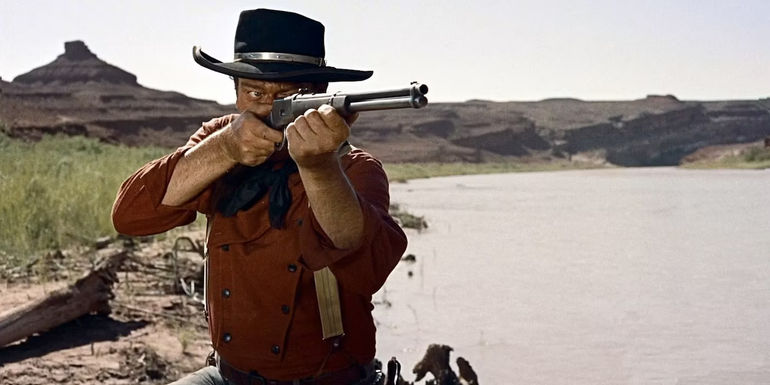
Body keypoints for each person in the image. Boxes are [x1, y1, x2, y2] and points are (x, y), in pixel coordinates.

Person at [112, 9, 407, 385]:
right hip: (227, 375)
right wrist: (223, 151)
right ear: (235, 93)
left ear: (317, 97)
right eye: (254, 92)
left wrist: (317, 168)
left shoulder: (355, 169)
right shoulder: (221, 140)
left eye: (286, 96)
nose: (268, 108)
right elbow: (130, 216)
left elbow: (368, 268)